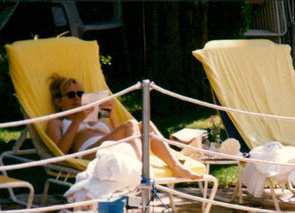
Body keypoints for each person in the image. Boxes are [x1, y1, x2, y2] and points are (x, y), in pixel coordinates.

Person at [46, 74, 202, 181]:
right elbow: (59, 154)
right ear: (59, 101)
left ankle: (176, 166)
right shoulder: (57, 122)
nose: (77, 98)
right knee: (130, 124)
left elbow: (125, 135)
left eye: (80, 93)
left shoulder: (97, 117)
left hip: (114, 148)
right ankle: (143, 170)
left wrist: (112, 115)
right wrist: (77, 121)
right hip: (88, 154)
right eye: (71, 95)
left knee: (145, 125)